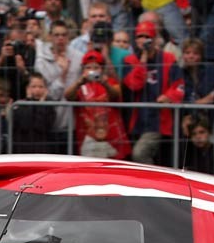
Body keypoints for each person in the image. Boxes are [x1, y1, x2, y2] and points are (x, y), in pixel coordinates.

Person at [122, 21, 184, 165]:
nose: (143, 40)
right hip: (136, 120)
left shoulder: (168, 59)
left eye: (147, 36)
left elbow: (179, 85)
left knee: (140, 154)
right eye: (140, 37)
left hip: (160, 119)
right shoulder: (129, 60)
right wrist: (142, 61)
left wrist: (168, 96)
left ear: (155, 39)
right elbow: (134, 85)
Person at [64, 50, 130, 159]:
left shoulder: (111, 82)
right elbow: (68, 96)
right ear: (83, 69)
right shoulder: (80, 85)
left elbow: (115, 94)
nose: (92, 71)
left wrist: (104, 83)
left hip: (112, 137)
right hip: (88, 139)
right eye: (88, 68)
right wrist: (79, 82)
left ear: (102, 69)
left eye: (96, 68)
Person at [35, 20, 82, 153]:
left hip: (72, 120)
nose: (60, 38)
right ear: (50, 36)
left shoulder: (78, 58)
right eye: (56, 35)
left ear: (68, 37)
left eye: (64, 35)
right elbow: (49, 94)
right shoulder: (41, 61)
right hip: (50, 120)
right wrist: (63, 74)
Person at [11, 72, 55, 153]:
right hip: (23, 148)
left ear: (46, 89)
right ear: (27, 88)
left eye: (41, 86)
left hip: (42, 149)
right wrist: (29, 101)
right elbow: (25, 124)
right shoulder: (20, 104)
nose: (37, 89)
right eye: (34, 86)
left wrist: (41, 104)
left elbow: (41, 126)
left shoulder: (49, 105)